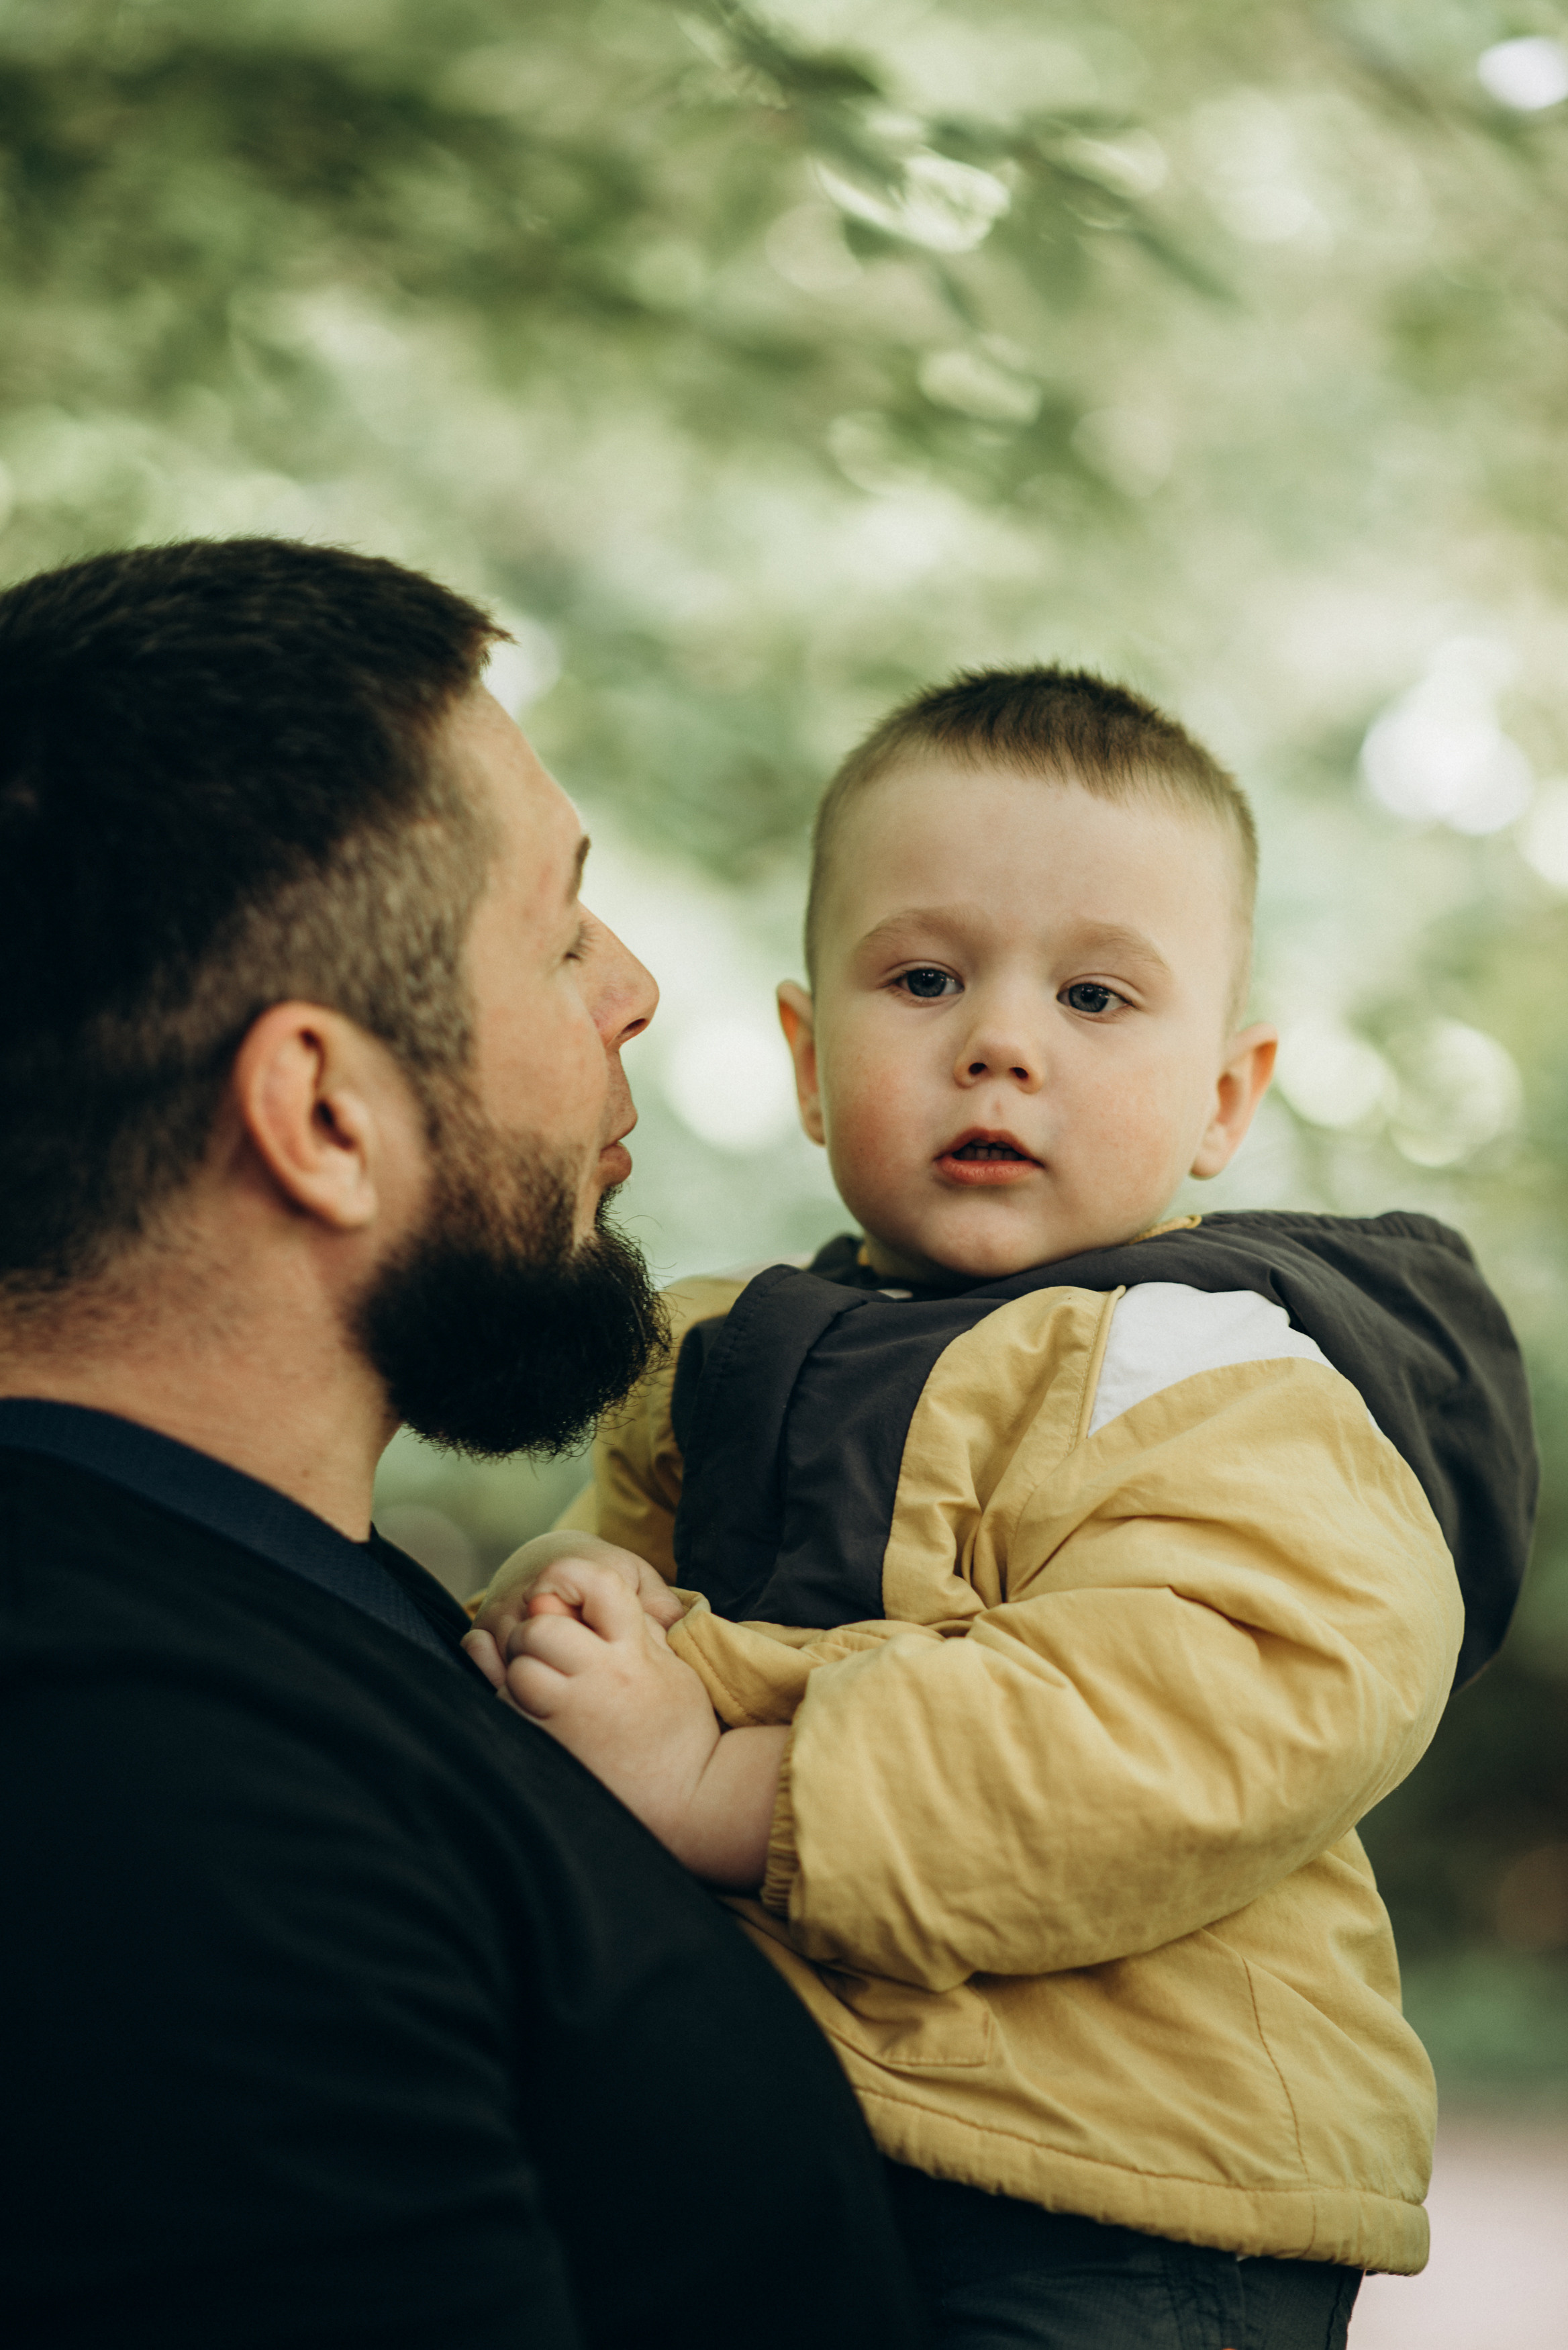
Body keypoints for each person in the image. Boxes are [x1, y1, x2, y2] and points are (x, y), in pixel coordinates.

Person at [469, 668, 1536, 2350]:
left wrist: (718, 1780)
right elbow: (623, 1610)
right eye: (923, 978)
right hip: (797, 2131)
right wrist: (564, 1609)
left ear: (1224, 1100)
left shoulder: (1219, 1372)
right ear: (808, 1063)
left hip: (1131, 2192)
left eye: (1096, 996)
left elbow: (1193, 1718)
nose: (1000, 1042)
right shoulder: (710, 1353)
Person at [0, 539, 926, 2350]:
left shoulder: (264, 1606)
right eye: (562, 931)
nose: (634, 984)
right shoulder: (132, 1782)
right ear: (325, 1114)